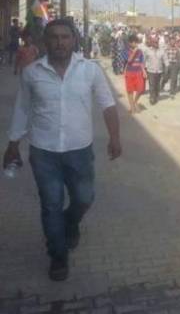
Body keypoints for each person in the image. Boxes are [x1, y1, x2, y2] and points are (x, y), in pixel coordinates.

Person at [3, 19, 122, 281]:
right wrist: (12, 144)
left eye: (65, 37)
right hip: (43, 151)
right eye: (54, 37)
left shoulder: (90, 70)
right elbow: (22, 109)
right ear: (45, 41)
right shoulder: (32, 73)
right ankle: (58, 254)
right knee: (51, 205)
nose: (60, 42)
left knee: (84, 198)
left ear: (74, 40)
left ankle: (70, 223)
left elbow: (108, 103)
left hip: (79, 151)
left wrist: (115, 137)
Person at [124, 35, 146, 114]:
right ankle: (132, 107)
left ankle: (135, 102)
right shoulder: (126, 50)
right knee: (130, 90)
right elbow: (129, 60)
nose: (136, 44)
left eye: (137, 42)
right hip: (129, 72)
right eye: (134, 42)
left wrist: (144, 71)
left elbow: (141, 62)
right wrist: (134, 52)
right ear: (130, 43)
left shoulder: (140, 51)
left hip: (138, 72)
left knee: (140, 89)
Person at [143, 37, 167, 105]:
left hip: (159, 71)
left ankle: (156, 95)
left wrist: (167, 67)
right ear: (152, 43)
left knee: (157, 85)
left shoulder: (162, 51)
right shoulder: (147, 50)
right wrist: (143, 69)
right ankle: (152, 98)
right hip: (151, 71)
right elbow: (144, 60)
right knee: (152, 85)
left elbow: (165, 59)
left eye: (156, 42)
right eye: (154, 42)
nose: (155, 43)